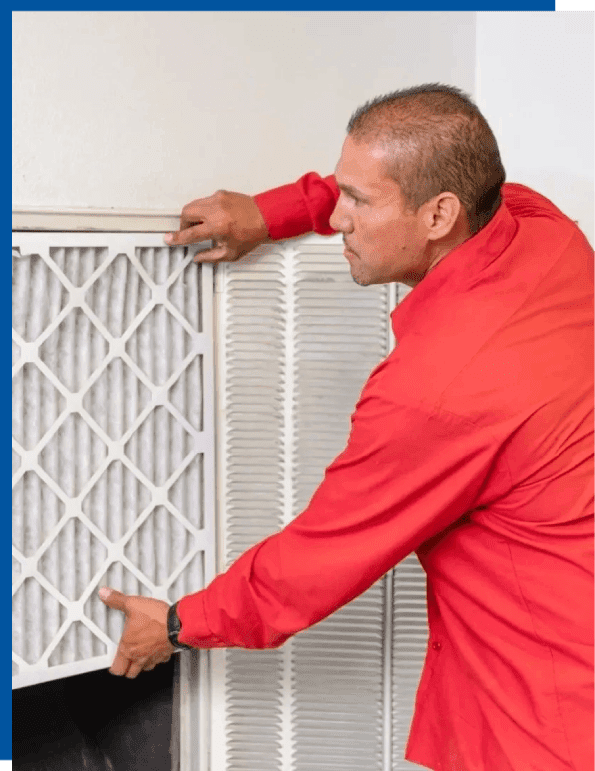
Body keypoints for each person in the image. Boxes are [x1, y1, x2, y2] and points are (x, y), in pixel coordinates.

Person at [99, 84, 594, 770]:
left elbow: (317, 560)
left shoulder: (437, 391)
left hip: (545, 721)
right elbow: (406, 178)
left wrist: (178, 623)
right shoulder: (540, 228)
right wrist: (269, 213)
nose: (334, 218)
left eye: (357, 202)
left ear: (438, 215)